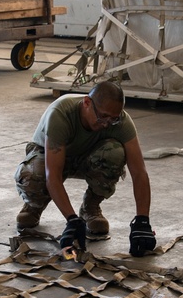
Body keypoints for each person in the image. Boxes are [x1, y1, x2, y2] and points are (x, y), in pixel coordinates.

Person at [14, 81, 156, 258]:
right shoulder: (60, 113)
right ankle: (34, 206)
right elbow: (53, 176)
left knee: (115, 153)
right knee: (34, 174)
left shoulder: (120, 121)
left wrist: (142, 220)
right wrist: (71, 220)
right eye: (103, 117)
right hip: (51, 157)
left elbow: (139, 172)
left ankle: (90, 208)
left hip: (87, 157)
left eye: (114, 118)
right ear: (87, 103)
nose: (107, 123)